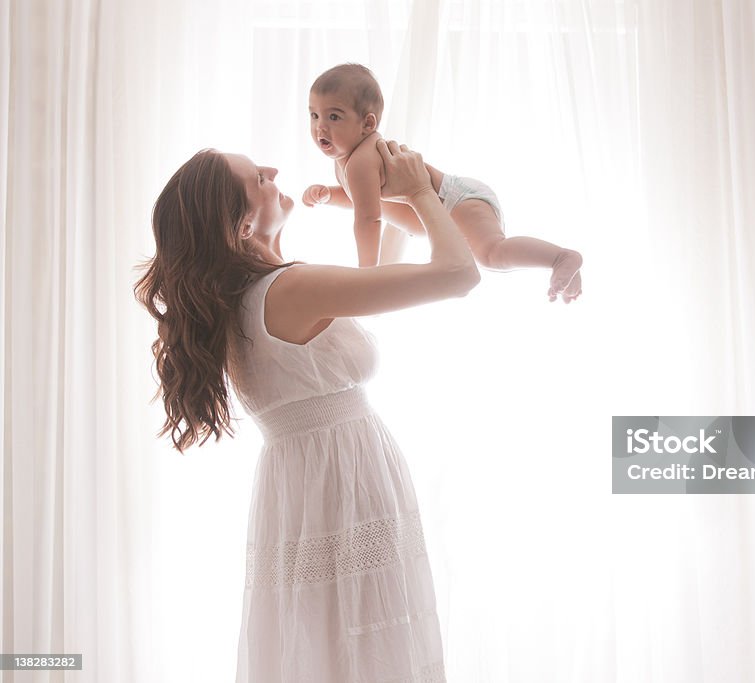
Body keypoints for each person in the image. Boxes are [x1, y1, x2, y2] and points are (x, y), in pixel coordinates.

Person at [133, 139, 473, 682]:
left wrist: (381, 203)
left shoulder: (240, 303)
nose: (271, 169)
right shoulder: (291, 289)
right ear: (240, 226)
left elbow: (384, 266)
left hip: (304, 486)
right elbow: (460, 275)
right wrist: (418, 192)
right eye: (255, 178)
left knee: (324, 646)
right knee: (365, 648)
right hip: (344, 479)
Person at [302, 62, 584, 303]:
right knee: (488, 257)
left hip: (457, 200)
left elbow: (368, 218)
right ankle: (566, 271)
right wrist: (329, 195)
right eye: (314, 115)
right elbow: (359, 200)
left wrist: (366, 272)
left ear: (367, 123)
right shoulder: (346, 162)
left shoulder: (362, 161)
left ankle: (559, 257)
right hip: (452, 205)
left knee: (491, 253)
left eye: (334, 116)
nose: (320, 127)